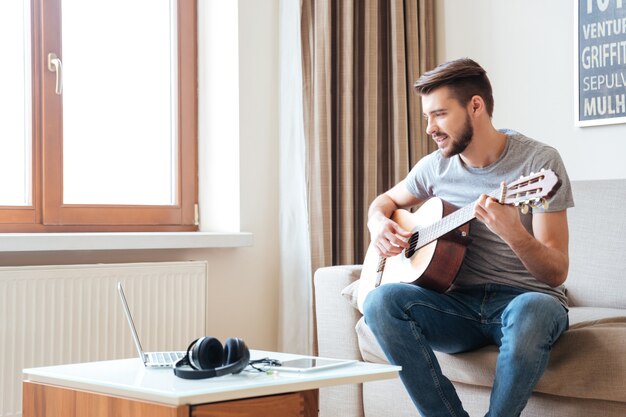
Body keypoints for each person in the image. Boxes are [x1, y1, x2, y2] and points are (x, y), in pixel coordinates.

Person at [362, 58, 574, 417]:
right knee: (379, 303)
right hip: (456, 306)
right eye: (427, 117)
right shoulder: (435, 166)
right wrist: (377, 223)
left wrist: (513, 233)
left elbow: (556, 272)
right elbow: (385, 202)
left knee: (533, 309)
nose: (430, 127)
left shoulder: (539, 163)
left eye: (440, 114)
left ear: (476, 106)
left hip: (526, 301)